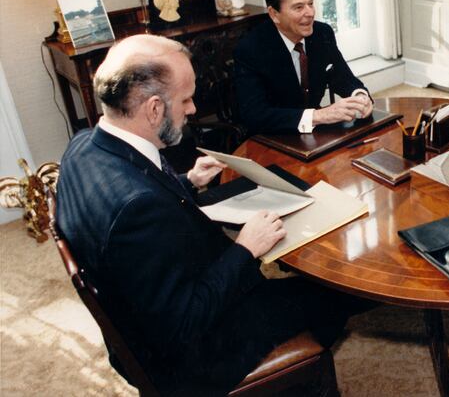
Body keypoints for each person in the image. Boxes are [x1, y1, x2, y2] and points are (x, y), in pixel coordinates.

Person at [57, 34, 365, 395]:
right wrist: (246, 248)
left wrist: (186, 182)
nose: (192, 109)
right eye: (185, 99)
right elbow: (182, 323)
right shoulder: (137, 208)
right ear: (153, 109)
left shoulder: (82, 145)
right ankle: (301, 383)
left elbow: (135, 195)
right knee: (333, 292)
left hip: (146, 309)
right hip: (190, 357)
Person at [235, 0, 373, 135]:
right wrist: (318, 116)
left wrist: (360, 97)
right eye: (299, 7)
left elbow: (343, 77)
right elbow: (254, 115)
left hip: (315, 134)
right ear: (274, 14)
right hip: (274, 136)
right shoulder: (250, 49)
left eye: (311, 3)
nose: (310, 13)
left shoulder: (322, 33)